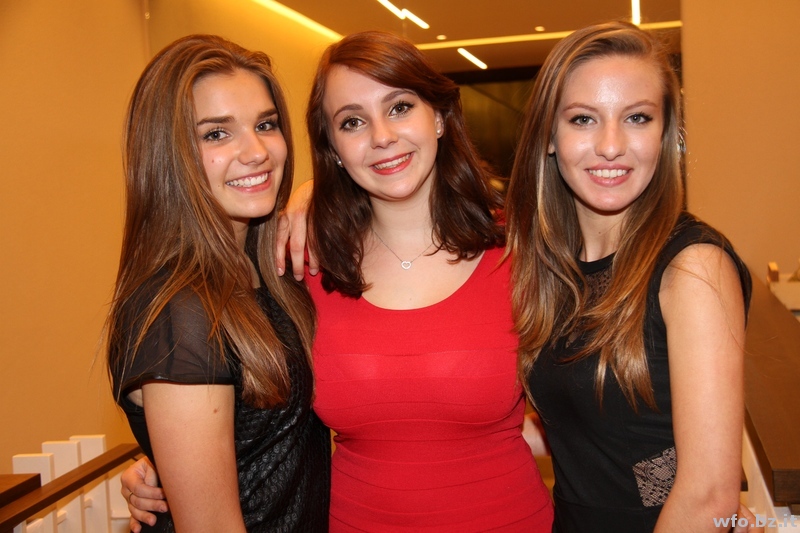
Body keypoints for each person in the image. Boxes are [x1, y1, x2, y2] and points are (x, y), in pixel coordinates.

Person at [122, 30, 554, 532]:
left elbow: (580, 408)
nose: (382, 136)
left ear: (439, 116)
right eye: (352, 121)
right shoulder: (302, 264)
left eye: (399, 107)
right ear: (331, 146)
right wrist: (175, 458)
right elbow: (247, 400)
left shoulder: (523, 249)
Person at [504, 21, 753, 532]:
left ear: (665, 135)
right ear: (549, 137)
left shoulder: (693, 268)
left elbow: (710, 497)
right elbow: (597, 430)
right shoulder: (553, 266)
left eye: (637, 117)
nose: (611, 145)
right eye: (583, 119)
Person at [106, 34, 330, 532]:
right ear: (169, 155)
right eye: (216, 134)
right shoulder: (179, 311)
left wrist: (313, 191)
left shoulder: (267, 271)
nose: (257, 152)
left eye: (265, 125)